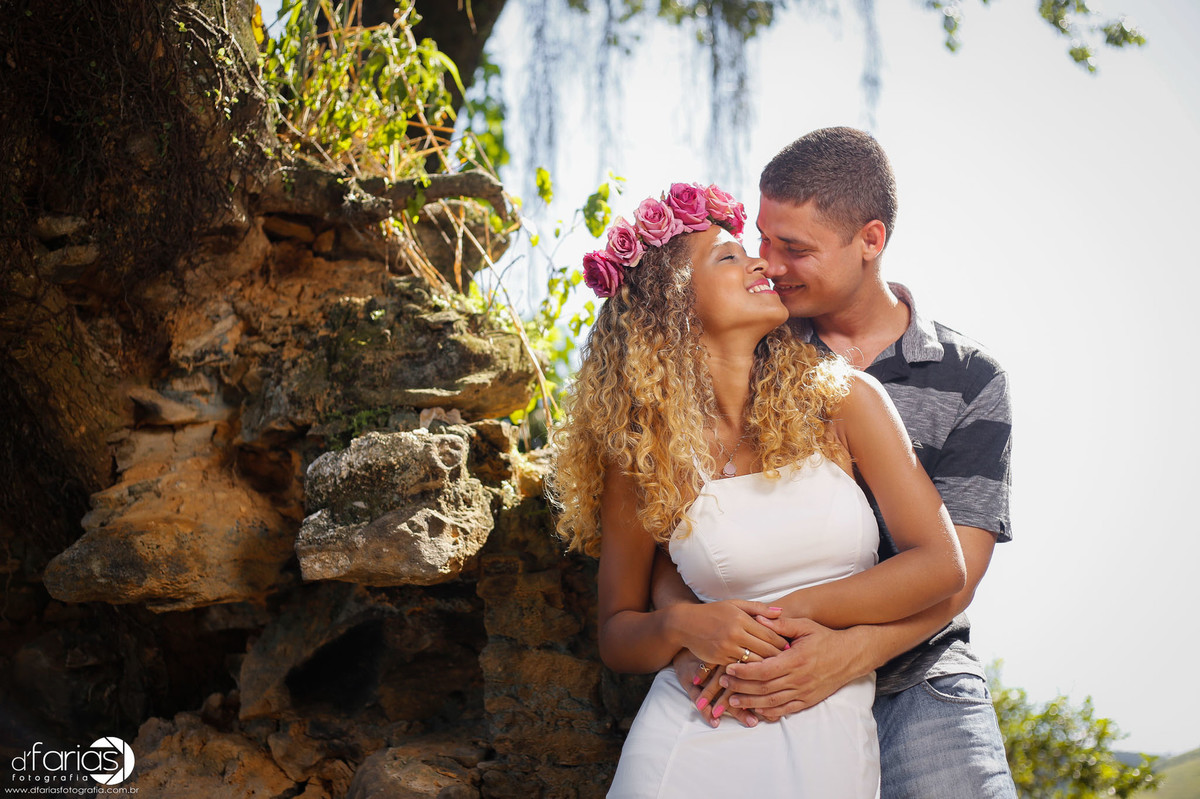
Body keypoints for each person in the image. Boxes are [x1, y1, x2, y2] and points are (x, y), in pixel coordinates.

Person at [551, 182, 967, 797]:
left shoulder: (844, 401)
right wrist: (688, 629)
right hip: (695, 728)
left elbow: (942, 566)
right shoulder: (645, 452)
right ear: (674, 306)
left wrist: (786, 616)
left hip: (822, 727)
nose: (760, 263)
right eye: (728, 256)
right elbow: (617, 630)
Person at [655, 128, 1018, 799]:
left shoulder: (970, 380)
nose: (770, 263)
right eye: (763, 238)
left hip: (918, 675)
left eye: (795, 248)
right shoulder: (749, 341)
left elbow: (954, 578)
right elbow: (671, 535)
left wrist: (850, 654)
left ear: (870, 241)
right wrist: (690, 643)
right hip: (764, 672)